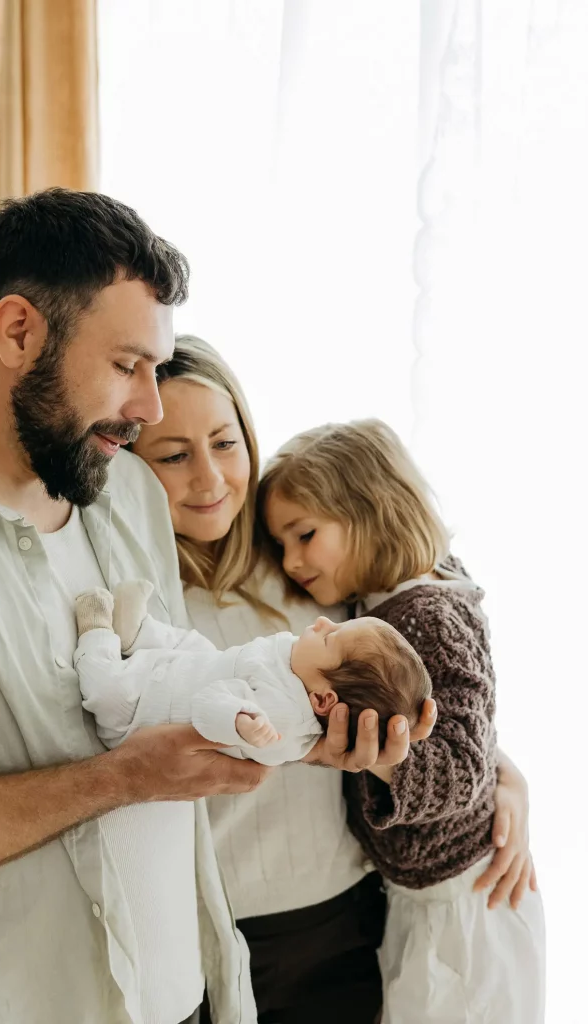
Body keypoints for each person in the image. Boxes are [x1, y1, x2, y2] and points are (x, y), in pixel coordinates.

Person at [0, 188, 281, 1024]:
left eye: (156, 366)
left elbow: (189, 678)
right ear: (17, 332)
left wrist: (311, 710)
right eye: (126, 366)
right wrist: (123, 779)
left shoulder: (125, 490)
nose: (148, 407)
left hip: (188, 999)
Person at [131, 335, 537, 1024]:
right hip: (198, 928)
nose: (209, 478)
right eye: (172, 456)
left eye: (226, 443)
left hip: (341, 923)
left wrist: (502, 774)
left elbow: (421, 696)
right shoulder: (137, 594)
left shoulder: (318, 572)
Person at [258, 418, 546, 1024]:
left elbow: (465, 764)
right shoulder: (380, 606)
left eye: (305, 534)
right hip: (422, 901)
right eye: (282, 544)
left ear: (372, 511)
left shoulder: (426, 614)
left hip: (465, 908)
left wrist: (388, 759)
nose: (292, 561)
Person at [73, 580, 431, 761]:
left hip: (138, 713)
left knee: (108, 693)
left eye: (330, 637)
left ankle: (97, 631)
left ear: (323, 698)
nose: (323, 621)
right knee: (195, 645)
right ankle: (137, 632)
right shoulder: (298, 667)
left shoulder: (281, 720)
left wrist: (240, 720)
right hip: (194, 670)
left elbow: (208, 705)